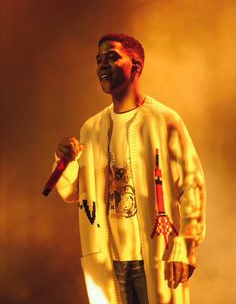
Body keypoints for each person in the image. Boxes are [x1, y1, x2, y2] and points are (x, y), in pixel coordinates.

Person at [54, 33, 206, 304]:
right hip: (108, 259)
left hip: (155, 255)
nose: (102, 65)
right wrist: (64, 160)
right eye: (99, 60)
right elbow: (70, 192)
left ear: (136, 65)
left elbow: (192, 185)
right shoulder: (91, 129)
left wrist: (186, 244)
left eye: (112, 57)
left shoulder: (165, 121)